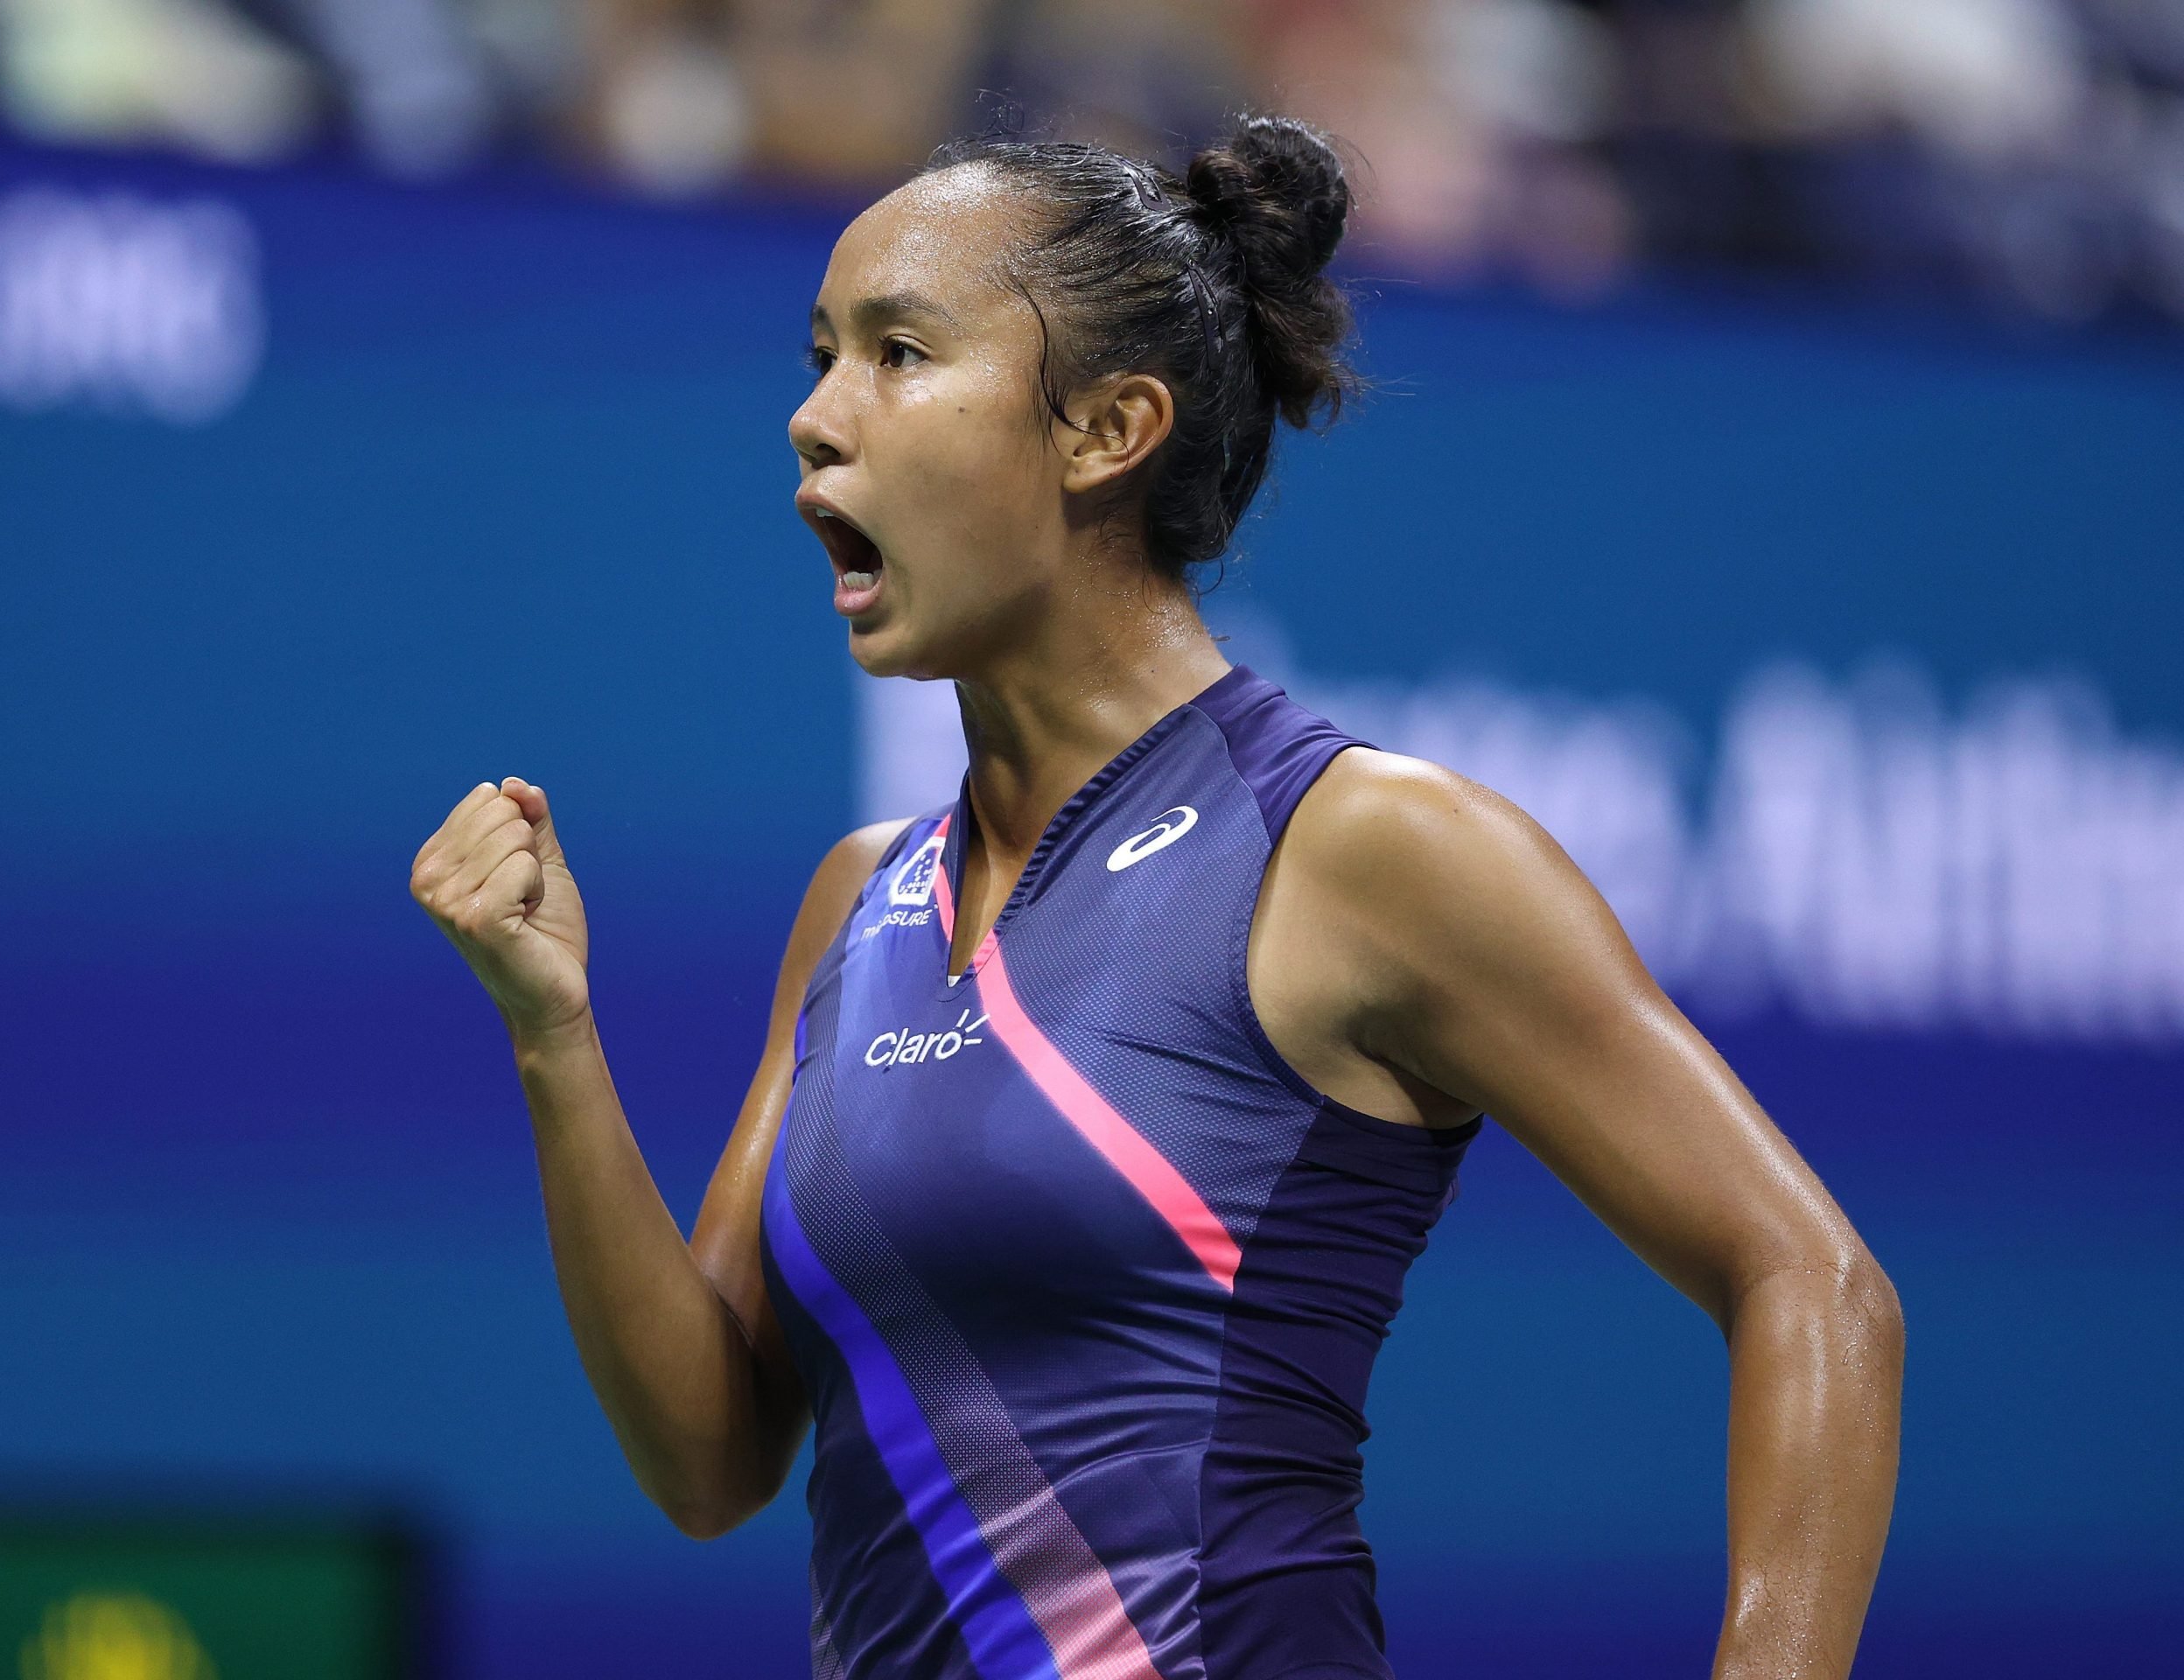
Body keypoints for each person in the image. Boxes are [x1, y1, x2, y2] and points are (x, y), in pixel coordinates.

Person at [410, 116, 1904, 1680]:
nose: (814, 418)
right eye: (819, 354)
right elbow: (711, 1459)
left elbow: (1813, 1281)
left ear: (1105, 429)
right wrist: (554, 1040)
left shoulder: (1361, 847)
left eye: (900, 353)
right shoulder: (860, 898)